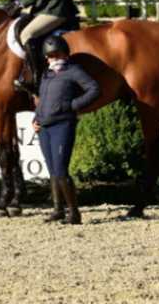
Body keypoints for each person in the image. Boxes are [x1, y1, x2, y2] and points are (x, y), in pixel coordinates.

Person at [33, 35, 100, 225]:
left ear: (61, 53)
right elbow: (42, 99)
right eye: (47, 56)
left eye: (52, 55)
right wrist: (35, 119)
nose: (48, 59)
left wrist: (72, 105)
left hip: (63, 125)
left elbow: (94, 89)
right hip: (44, 127)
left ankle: (74, 212)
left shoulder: (74, 71)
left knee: (61, 170)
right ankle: (58, 210)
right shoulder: (46, 74)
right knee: (53, 171)